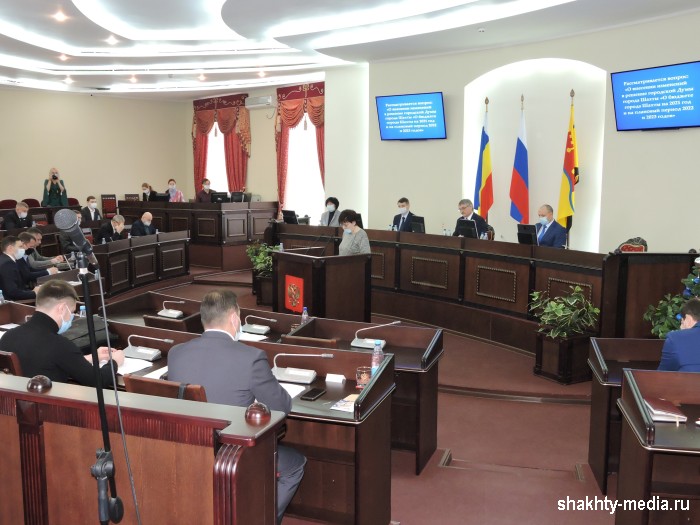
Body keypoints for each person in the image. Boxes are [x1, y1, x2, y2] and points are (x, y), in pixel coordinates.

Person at [168, 290, 306, 524]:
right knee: (295, 464)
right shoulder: (251, 358)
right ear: (234, 318)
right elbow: (282, 406)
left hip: (188, 450)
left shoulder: (176, 353)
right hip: (232, 456)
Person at [0, 279, 124, 386]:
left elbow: (44, 361)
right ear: (62, 308)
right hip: (49, 404)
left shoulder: (8, 336)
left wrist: (92, 357)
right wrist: (114, 362)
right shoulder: (59, 344)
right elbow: (98, 380)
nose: (72, 317)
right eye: (72, 311)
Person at [657, 298, 700, 372]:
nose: (680, 326)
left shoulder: (675, 339)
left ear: (688, 319)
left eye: (682, 322)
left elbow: (661, 375)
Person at [0, 236, 40, 300]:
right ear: (10, 248)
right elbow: (13, 293)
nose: (23, 249)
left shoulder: (5, 259)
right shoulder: (7, 264)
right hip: (14, 303)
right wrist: (34, 293)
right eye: (20, 247)